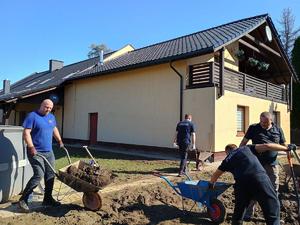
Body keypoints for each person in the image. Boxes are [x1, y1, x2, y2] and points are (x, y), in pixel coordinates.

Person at [210, 143, 296, 225]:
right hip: (259, 180)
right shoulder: (246, 148)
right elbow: (267, 146)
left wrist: (211, 184)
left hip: (241, 184)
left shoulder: (227, 160)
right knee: (272, 208)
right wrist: (287, 148)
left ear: (227, 152)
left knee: (238, 213)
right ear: (236, 148)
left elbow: (215, 175)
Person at [18, 99, 64, 212]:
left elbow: (54, 128)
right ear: (41, 105)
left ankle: (47, 198)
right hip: (35, 152)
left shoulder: (51, 117)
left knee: (50, 174)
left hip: (49, 152)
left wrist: (59, 140)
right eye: (46, 107)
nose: (48, 109)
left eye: (50, 108)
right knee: (39, 174)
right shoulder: (32, 116)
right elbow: (26, 132)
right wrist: (31, 147)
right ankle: (23, 200)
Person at [239, 111, 286, 220]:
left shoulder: (278, 130)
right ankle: (248, 213)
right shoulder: (253, 128)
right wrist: (240, 154)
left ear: (271, 121)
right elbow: (243, 142)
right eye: (261, 121)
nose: (262, 124)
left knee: (274, 189)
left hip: (272, 165)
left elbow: (283, 144)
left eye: (265, 122)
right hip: (256, 165)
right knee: (253, 187)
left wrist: (289, 147)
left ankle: (274, 214)